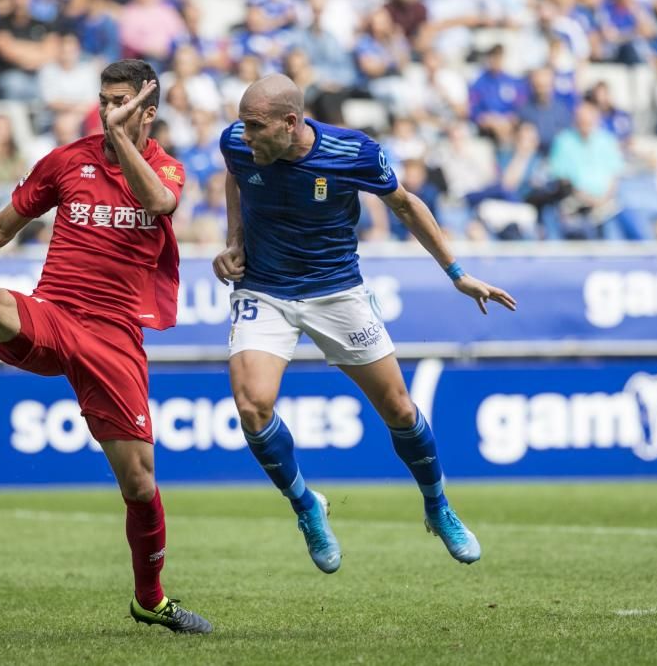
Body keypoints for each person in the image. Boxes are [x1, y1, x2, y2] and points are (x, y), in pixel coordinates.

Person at [0, 59, 212, 634]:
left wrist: (122, 140)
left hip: (115, 338)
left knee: (141, 484)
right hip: (54, 314)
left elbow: (161, 206)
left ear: (148, 111)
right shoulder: (66, 161)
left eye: (120, 101)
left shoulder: (166, 168)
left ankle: (150, 599)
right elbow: (1, 228)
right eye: (103, 99)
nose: (107, 109)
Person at [212, 75, 516, 574]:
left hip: (337, 291)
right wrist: (234, 240)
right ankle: (307, 505)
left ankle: (438, 506)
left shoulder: (352, 151)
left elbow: (406, 204)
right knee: (252, 407)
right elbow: (234, 174)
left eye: (255, 127)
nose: (244, 136)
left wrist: (457, 273)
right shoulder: (237, 143)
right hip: (264, 289)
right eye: (242, 126)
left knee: (398, 407)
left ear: (291, 123)